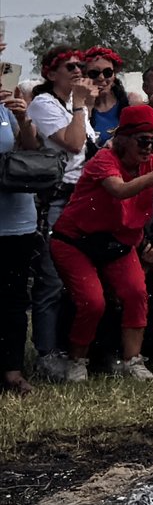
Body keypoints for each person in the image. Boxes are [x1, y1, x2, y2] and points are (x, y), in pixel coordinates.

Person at [50, 106, 153, 381]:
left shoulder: (152, 163)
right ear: (124, 139)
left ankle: (132, 360)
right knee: (93, 302)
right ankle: (77, 360)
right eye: (143, 140)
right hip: (76, 241)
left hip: (118, 241)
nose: (149, 147)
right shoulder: (104, 159)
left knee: (136, 294)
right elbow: (119, 190)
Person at [26, 46, 98, 381]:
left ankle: (77, 348)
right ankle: (46, 353)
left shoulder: (74, 105)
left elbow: (89, 148)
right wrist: (82, 106)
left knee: (81, 278)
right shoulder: (44, 103)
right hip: (57, 200)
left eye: (81, 65)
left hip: (84, 198)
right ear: (50, 72)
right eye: (70, 66)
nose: (78, 70)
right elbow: (72, 143)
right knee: (51, 278)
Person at [1, 76, 39, 395]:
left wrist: (22, 118)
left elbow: (32, 149)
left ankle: (12, 371)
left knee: (13, 299)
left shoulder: (7, 105)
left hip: (16, 220)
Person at [83, 46, 141, 145]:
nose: (101, 78)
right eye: (94, 73)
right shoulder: (76, 107)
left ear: (115, 75)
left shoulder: (131, 101)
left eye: (107, 73)